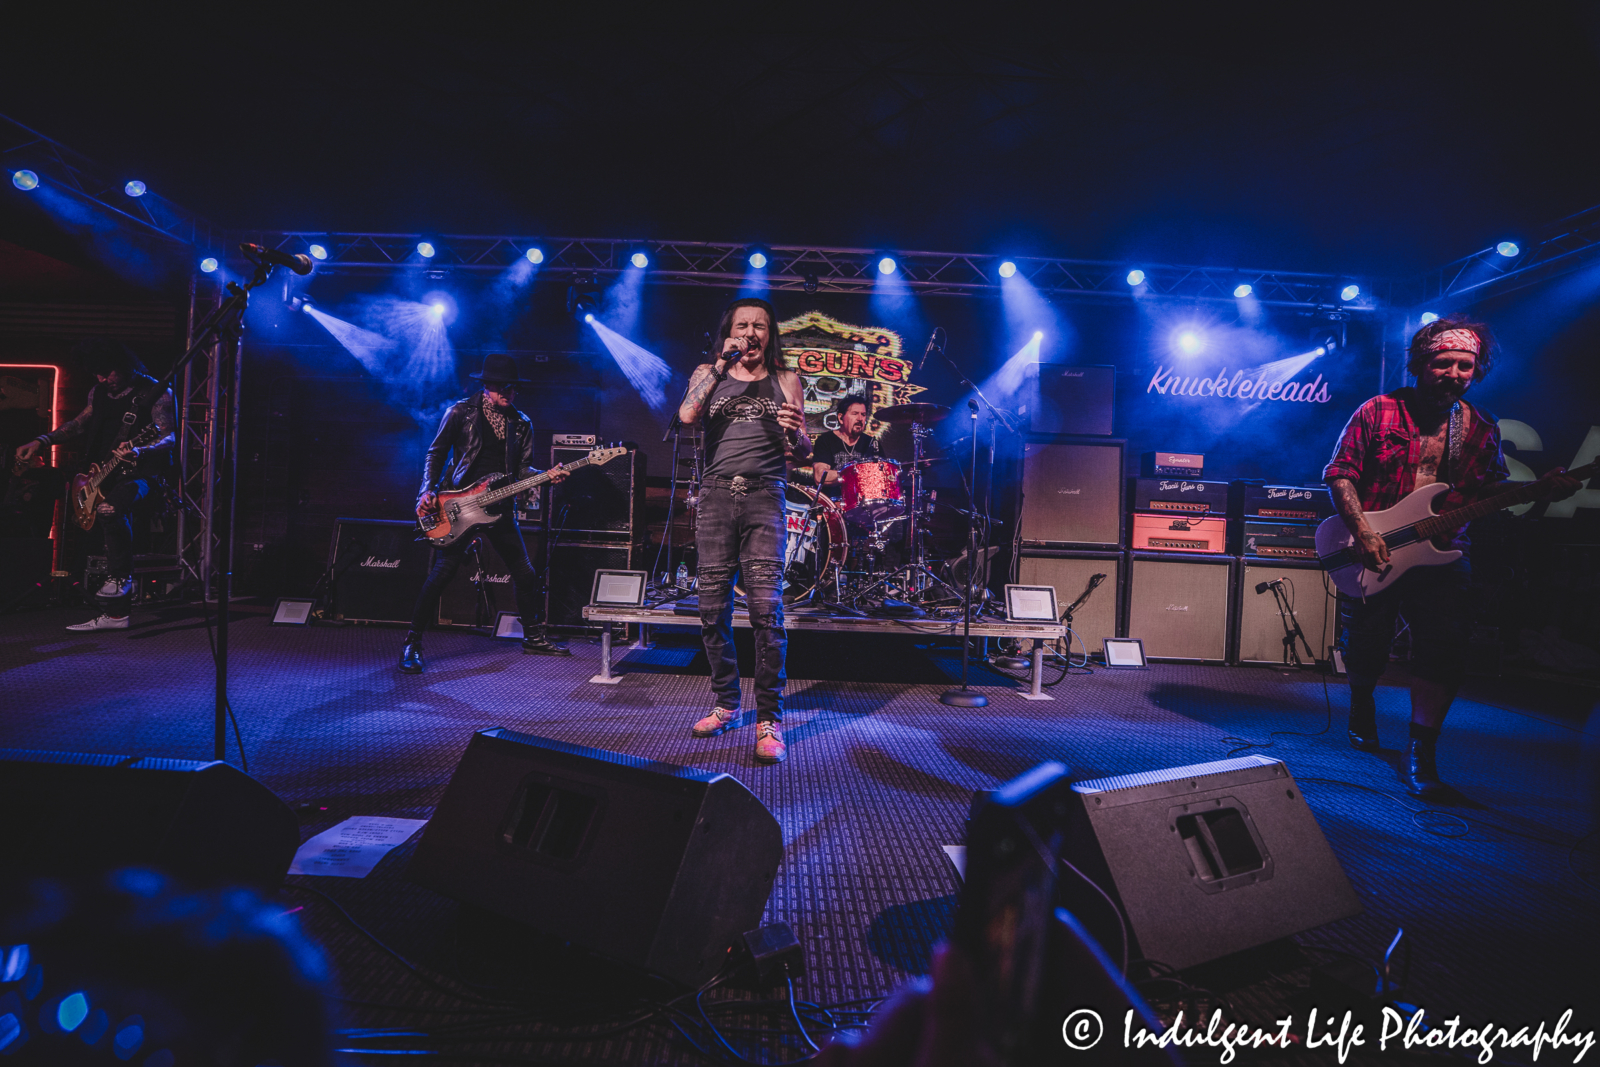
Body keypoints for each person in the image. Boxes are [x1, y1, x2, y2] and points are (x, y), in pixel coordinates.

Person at [1324, 318, 1580, 797]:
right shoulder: (1377, 411)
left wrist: (1537, 488)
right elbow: (1341, 473)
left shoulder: (1480, 426)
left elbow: (1489, 487)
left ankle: (1421, 753)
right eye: (1443, 363)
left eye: (1465, 365)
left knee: (1445, 648)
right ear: (1422, 364)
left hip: (1446, 548)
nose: (1454, 372)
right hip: (1378, 541)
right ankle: (1362, 698)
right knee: (1367, 645)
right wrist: (1361, 530)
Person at [678, 297, 811, 764]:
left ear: (770, 334)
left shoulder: (786, 380)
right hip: (715, 495)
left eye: (760, 325)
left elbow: (805, 448)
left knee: (765, 613)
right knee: (711, 609)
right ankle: (727, 703)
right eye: (743, 325)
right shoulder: (707, 374)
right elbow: (688, 416)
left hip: (764, 496)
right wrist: (720, 364)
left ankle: (768, 718)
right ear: (730, 331)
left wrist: (797, 430)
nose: (751, 332)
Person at [402, 353, 569, 672]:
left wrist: (546, 477)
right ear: (487, 385)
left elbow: (521, 470)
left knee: (525, 572)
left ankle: (533, 636)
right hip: (460, 506)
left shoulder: (521, 423)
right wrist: (427, 490)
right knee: (441, 574)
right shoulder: (460, 412)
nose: (506, 392)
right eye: (500, 386)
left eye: (512, 387)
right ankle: (412, 643)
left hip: (499, 506)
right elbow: (435, 454)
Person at [15, 341, 174, 632]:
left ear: (126, 367)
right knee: (101, 519)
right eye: (97, 374)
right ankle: (115, 617)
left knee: (110, 509)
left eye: (107, 373)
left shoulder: (156, 393)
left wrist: (141, 451)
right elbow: (77, 424)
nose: (102, 379)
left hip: (142, 474)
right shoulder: (98, 392)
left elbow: (168, 436)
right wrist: (42, 440)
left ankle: (121, 579)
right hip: (103, 474)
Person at [811, 394, 881, 489]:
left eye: (863, 415)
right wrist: (854, 474)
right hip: (833, 501)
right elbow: (820, 477)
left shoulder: (872, 443)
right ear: (840, 418)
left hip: (863, 500)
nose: (860, 419)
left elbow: (881, 476)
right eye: (855, 414)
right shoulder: (826, 440)